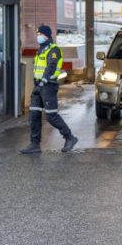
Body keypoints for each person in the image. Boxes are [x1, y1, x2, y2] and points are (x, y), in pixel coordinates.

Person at [20, 25, 78, 154]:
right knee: (34, 115)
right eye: (37, 34)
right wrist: (37, 85)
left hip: (48, 87)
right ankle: (35, 144)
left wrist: (42, 84)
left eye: (40, 34)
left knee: (51, 116)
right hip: (39, 87)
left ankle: (69, 137)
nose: (38, 36)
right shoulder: (41, 50)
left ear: (46, 35)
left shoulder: (53, 50)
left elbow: (50, 68)